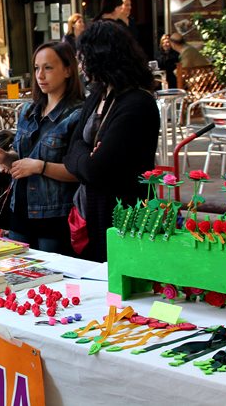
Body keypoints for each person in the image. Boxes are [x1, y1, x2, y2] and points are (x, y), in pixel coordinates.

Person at [64, 20, 160, 262]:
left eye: (84, 58)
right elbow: (70, 151)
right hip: (92, 211)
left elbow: (97, 170)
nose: (81, 66)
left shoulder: (137, 103)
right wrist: (87, 155)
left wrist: (84, 159)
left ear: (102, 58)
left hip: (124, 215)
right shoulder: (99, 93)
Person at [0, 41, 84, 253]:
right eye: (37, 68)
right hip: (19, 210)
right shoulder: (29, 109)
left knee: (52, 279)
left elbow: (78, 171)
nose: (40, 75)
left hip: (54, 216)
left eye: (48, 67)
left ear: (67, 70)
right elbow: (22, 159)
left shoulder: (77, 114)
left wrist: (40, 166)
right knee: (20, 275)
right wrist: (3, 157)